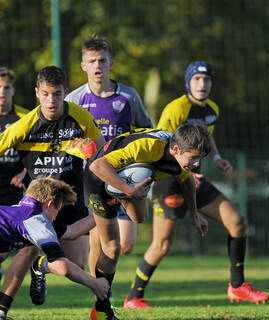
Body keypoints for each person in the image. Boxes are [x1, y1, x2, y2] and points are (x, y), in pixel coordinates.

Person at [123, 61, 269, 310]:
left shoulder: (212, 109)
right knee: (162, 244)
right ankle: (133, 297)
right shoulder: (176, 109)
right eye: (197, 80)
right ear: (188, 83)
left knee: (237, 223)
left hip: (195, 179)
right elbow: (163, 147)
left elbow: (206, 138)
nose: (202, 84)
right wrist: (184, 173)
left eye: (207, 80)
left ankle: (237, 286)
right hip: (169, 180)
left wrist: (217, 158)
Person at [0, 66, 105, 306]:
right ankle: (2, 307)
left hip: (70, 197)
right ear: (37, 92)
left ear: (65, 92)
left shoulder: (81, 117)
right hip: (37, 204)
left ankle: (41, 268)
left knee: (76, 262)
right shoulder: (23, 125)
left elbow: (104, 151)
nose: (51, 100)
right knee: (28, 250)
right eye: (46, 94)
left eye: (57, 94)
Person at [84, 123, 212, 320]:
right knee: (112, 248)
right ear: (176, 149)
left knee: (140, 218)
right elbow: (97, 166)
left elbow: (187, 181)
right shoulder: (147, 147)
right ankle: (101, 309)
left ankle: (83, 225)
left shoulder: (178, 158)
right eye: (193, 158)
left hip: (129, 181)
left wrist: (194, 214)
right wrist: (128, 191)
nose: (196, 164)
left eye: (199, 159)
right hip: (99, 178)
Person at [65, 38, 152, 278]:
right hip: (93, 178)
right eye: (91, 61)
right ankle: (100, 294)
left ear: (111, 63)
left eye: (102, 60)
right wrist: (80, 147)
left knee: (125, 244)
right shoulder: (75, 99)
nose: (97, 65)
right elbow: (63, 137)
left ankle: (101, 284)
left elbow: (146, 130)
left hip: (124, 175)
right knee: (98, 238)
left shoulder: (128, 96)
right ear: (83, 65)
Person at [0, 177, 109, 320]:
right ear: (50, 203)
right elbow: (62, 266)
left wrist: (104, 209)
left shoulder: (18, 212)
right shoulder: (36, 221)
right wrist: (95, 284)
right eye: (59, 209)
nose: (57, 216)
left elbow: (72, 231)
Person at [0, 67, 29, 279]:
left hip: (13, 188)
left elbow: (40, 149)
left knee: (3, 250)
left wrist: (24, 172)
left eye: (6, 87)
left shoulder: (24, 118)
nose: (2, 91)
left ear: (13, 90)